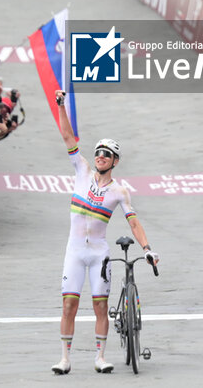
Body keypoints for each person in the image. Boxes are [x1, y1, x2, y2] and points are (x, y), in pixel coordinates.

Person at [50, 90, 158, 375]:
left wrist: (147, 249)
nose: (100, 157)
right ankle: (65, 359)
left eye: (106, 154)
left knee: (100, 307)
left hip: (99, 253)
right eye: (98, 152)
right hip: (75, 250)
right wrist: (61, 106)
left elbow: (134, 222)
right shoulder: (82, 170)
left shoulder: (119, 191)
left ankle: (100, 357)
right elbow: (67, 138)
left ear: (115, 161)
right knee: (69, 305)